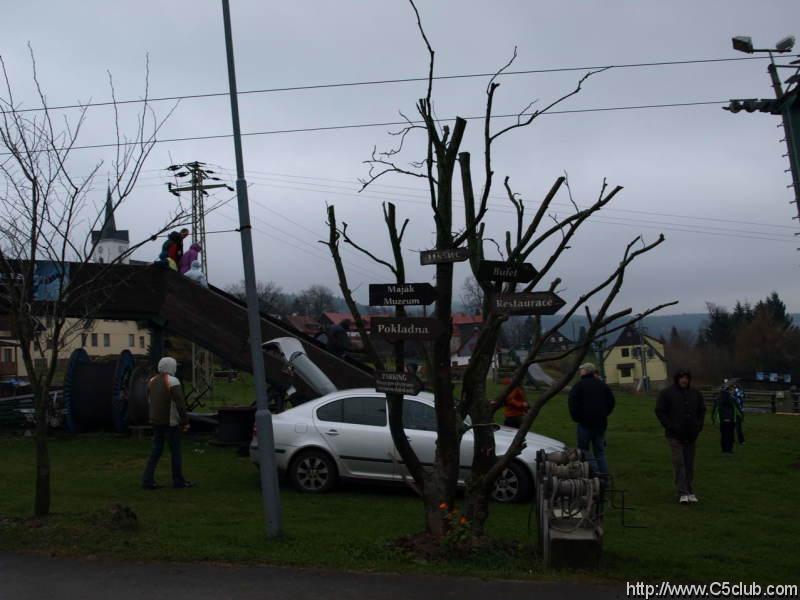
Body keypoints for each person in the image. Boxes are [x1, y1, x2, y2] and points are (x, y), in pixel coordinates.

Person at [141, 357, 193, 490]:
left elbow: (149, 400)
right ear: (172, 367)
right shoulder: (173, 381)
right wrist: (185, 421)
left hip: (156, 421)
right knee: (175, 451)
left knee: (156, 451)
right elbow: (180, 404)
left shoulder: (152, 381)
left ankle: (147, 480)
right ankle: (178, 480)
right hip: (170, 422)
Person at [655, 368, 705, 505]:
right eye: (681, 377)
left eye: (686, 377)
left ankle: (690, 490)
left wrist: (699, 426)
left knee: (689, 464)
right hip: (674, 435)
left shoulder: (696, 394)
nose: (684, 380)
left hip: (691, 434)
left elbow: (702, 410)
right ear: (677, 378)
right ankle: (682, 492)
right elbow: (659, 411)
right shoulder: (667, 394)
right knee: (679, 463)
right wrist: (669, 426)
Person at [568, 362, 615, 479]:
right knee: (600, 452)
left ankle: (596, 474)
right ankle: (605, 478)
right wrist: (604, 414)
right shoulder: (602, 385)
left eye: (581, 370)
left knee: (584, 450)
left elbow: (572, 404)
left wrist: (577, 418)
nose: (580, 371)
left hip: (584, 424)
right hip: (600, 424)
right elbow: (611, 402)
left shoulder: (578, 386)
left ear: (585, 371)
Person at [712, 383, 743, 455]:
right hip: (732, 420)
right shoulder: (733, 399)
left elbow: (715, 410)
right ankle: (729, 450)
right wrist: (741, 416)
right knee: (730, 435)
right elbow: (737, 409)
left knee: (723, 435)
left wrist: (713, 419)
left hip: (722, 420)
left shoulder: (718, 399)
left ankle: (724, 450)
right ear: (728, 390)